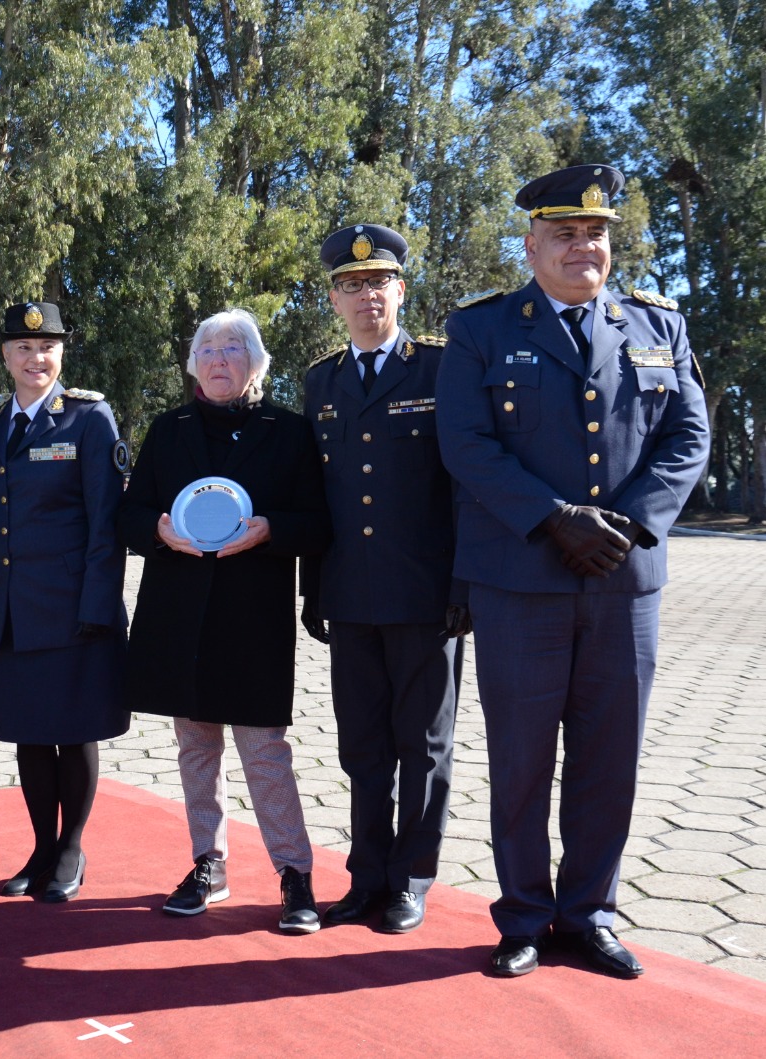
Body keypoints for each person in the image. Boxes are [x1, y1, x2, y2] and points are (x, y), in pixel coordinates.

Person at [437, 164, 711, 979]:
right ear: (531, 246)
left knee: (608, 757)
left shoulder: (658, 325)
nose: (582, 246)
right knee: (522, 759)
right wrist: (555, 518)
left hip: (623, 582)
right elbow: (466, 444)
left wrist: (626, 525)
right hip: (521, 580)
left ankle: (589, 912)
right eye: (564, 233)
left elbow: (688, 439)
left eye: (595, 233)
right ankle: (523, 916)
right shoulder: (481, 330)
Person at [117, 308, 331, 934]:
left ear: (256, 363)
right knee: (194, 747)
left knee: (264, 750)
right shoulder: (169, 428)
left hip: (253, 615)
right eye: (207, 349)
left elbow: (318, 522)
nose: (218, 359)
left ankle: (294, 873)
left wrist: (272, 530)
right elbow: (131, 515)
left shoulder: (289, 432)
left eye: (233, 347)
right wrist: (157, 530)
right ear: (193, 365)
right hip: (179, 614)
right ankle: (208, 862)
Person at [301, 223, 466, 935]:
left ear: (401, 288)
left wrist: (466, 581)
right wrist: (314, 585)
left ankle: (411, 878)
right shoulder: (320, 381)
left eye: (379, 281)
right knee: (361, 745)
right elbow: (318, 494)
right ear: (333, 299)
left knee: (423, 745)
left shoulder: (440, 370)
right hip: (351, 595)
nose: (366, 294)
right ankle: (367, 876)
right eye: (351, 284)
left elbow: (465, 483)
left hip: (427, 595)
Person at [0, 302, 130, 902]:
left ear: (61, 353)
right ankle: (41, 847)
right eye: (23, 348)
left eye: (48, 348)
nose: (36, 359)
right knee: (30, 733)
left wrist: (98, 604)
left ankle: (72, 848)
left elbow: (105, 522)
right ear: (5, 356)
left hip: (71, 606)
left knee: (74, 730)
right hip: (8, 608)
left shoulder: (88, 419)